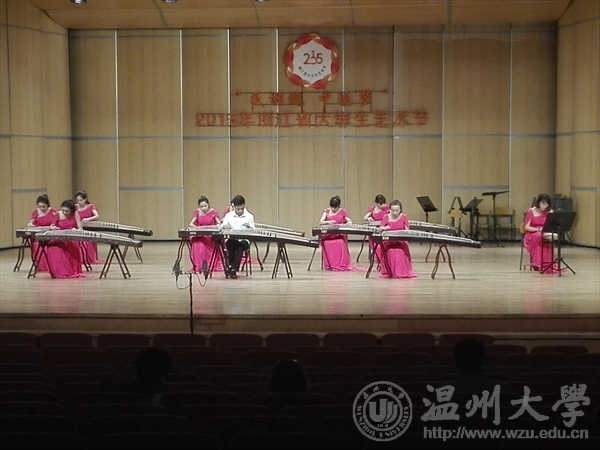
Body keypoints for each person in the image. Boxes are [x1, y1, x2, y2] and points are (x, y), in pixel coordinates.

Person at [45, 199, 85, 278]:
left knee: (73, 244)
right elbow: (52, 226)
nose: (64, 212)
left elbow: (80, 228)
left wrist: (76, 230)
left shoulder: (75, 215)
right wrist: (54, 228)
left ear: (71, 210)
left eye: (67, 211)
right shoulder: (58, 214)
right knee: (53, 247)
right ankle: (59, 270)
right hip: (59, 238)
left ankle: (70, 269)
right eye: (63, 210)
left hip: (71, 238)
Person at [377, 200, 417, 278]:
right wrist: (385, 228)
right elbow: (380, 230)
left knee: (399, 251)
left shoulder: (404, 217)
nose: (395, 213)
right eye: (393, 211)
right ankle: (390, 271)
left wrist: (406, 230)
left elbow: (408, 231)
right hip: (389, 243)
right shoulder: (386, 217)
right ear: (390, 210)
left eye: (397, 211)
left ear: (400, 210)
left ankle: (400, 271)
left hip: (400, 242)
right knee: (390, 251)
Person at [523, 193, 561, 273]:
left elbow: (552, 225)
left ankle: (548, 264)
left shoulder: (549, 211)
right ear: (538, 202)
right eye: (542, 203)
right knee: (538, 236)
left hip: (544, 232)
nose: (544, 206)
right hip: (532, 233)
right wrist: (538, 229)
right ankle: (539, 263)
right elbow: (526, 227)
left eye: (546, 204)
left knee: (547, 237)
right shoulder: (531, 211)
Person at [220, 194, 255, 279]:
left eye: (242, 208)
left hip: (244, 240)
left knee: (240, 246)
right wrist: (225, 227)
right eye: (238, 209)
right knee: (230, 243)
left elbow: (253, 230)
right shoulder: (229, 215)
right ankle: (233, 268)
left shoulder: (249, 216)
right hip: (232, 239)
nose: (240, 211)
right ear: (234, 207)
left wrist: (249, 228)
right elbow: (222, 226)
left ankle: (233, 268)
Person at [319, 195, 354, 271]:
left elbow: (350, 221)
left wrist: (348, 223)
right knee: (326, 243)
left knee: (341, 242)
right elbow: (321, 222)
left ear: (339, 206)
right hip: (328, 235)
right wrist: (328, 222)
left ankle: (340, 264)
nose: (333, 209)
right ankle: (330, 264)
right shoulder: (327, 211)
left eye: (335, 207)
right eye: (332, 207)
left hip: (339, 235)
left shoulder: (343, 211)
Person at [188, 195, 222, 272]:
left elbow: (219, 224)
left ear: (208, 204)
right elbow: (191, 224)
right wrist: (197, 228)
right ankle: (199, 266)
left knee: (203, 243)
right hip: (201, 234)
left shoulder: (214, 212)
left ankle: (208, 264)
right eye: (201, 207)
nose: (203, 208)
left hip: (210, 236)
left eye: (205, 206)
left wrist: (214, 227)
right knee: (196, 243)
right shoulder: (197, 212)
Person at [27, 194, 57, 272]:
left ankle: (51, 265)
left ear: (47, 205)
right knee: (37, 244)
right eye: (40, 206)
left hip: (50, 234)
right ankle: (41, 266)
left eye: (43, 206)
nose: (41, 208)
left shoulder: (53, 211)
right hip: (38, 234)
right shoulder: (36, 212)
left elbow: (56, 222)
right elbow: (31, 222)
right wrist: (30, 224)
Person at [75, 190, 103, 264]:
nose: (79, 202)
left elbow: (97, 216)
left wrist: (88, 219)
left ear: (85, 199)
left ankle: (89, 258)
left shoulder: (91, 206)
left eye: (81, 200)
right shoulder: (75, 207)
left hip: (90, 230)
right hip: (79, 229)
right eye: (77, 200)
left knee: (88, 241)